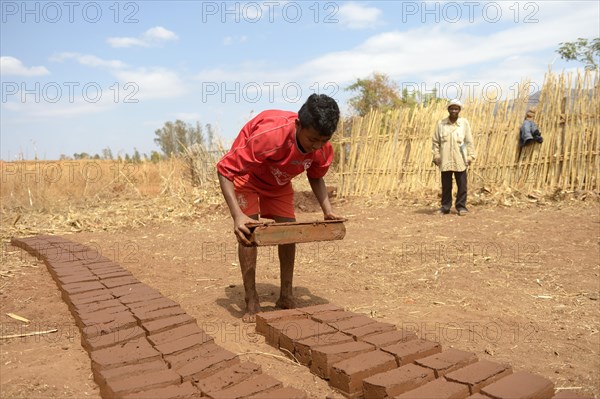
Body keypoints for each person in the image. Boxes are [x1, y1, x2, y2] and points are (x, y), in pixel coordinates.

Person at [216, 94, 343, 322]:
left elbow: (316, 177)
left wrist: (327, 210)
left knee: (288, 231)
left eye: (323, 141)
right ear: (298, 125)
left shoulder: (322, 147)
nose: (317, 146)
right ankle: (251, 299)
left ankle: (286, 295)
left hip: (279, 181)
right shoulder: (269, 137)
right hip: (248, 176)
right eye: (312, 139)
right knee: (249, 233)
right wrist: (238, 216)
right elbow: (225, 170)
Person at [432, 99, 476, 216]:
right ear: (448, 109)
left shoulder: (464, 123)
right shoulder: (441, 124)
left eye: (456, 108)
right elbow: (436, 142)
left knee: (462, 184)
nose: (454, 110)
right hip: (445, 158)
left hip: (460, 158)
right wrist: (436, 155)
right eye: (452, 108)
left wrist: (470, 156)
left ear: (459, 110)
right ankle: (445, 207)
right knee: (446, 185)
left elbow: (469, 140)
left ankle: (461, 207)